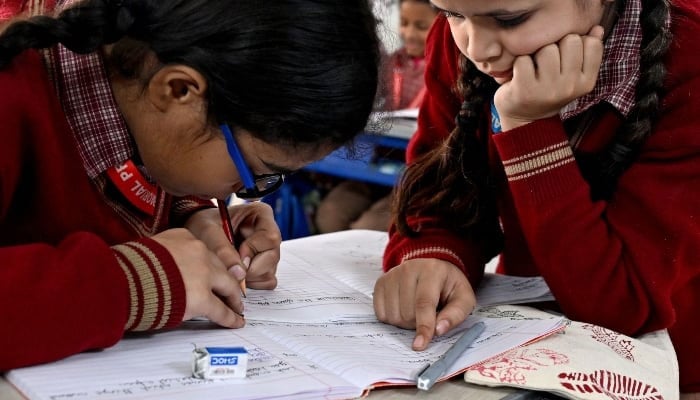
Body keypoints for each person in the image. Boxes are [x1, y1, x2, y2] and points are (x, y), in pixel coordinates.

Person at [0, 0, 380, 370]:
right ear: (179, 90)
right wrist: (132, 285)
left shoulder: (135, 93)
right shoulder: (12, 95)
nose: (252, 188)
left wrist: (192, 218)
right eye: (253, 171)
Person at [373, 0, 700, 394]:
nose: (477, 48)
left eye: (512, 19)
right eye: (451, 13)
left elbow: (624, 304)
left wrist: (527, 127)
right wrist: (433, 253)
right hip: (522, 351)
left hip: (669, 369)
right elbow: (438, 190)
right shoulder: (465, 31)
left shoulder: (689, 64)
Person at [314, 0, 438, 234]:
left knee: (367, 227)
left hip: (416, 178)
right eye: (404, 23)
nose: (409, 34)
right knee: (330, 214)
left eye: (421, 26)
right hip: (374, 166)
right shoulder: (390, 63)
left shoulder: (444, 73)